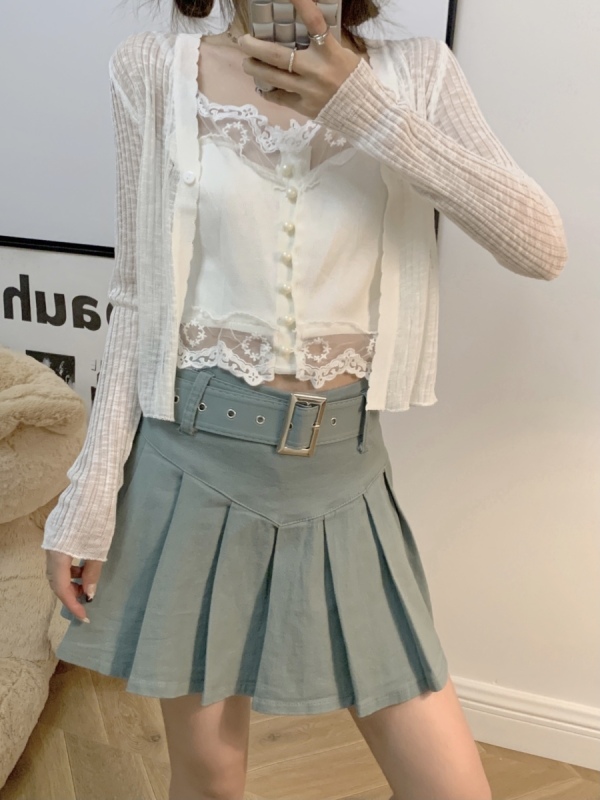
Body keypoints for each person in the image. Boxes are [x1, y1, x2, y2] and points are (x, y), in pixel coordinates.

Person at [42, 0, 568, 797]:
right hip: (192, 465)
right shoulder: (153, 69)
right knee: (211, 778)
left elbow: (540, 246)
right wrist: (87, 498)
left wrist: (363, 107)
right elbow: (137, 295)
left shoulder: (417, 74)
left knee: (452, 788)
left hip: (344, 478)